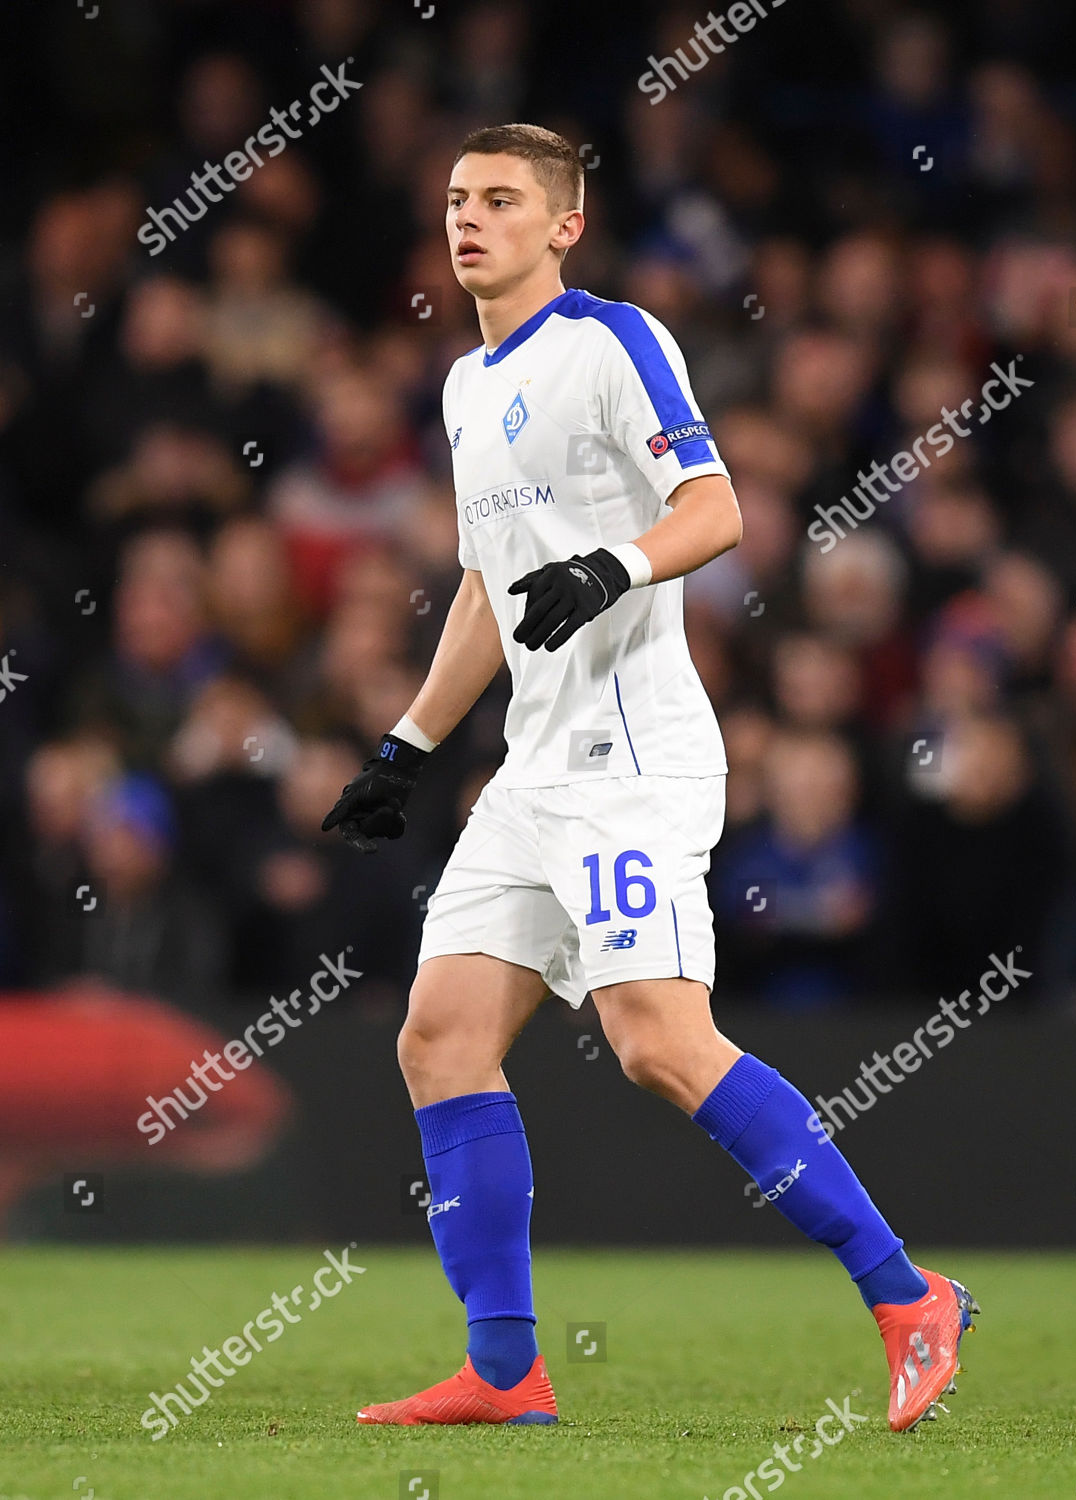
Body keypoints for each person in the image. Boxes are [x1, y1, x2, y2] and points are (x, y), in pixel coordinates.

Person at [321, 123, 978, 1433]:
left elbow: (715, 508)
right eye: (457, 199)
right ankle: (505, 1372)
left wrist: (612, 565)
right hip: (529, 768)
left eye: (502, 199)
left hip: (631, 760)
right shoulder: (462, 387)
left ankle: (909, 1297)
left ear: (562, 224)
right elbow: (480, 585)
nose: (471, 220)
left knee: (654, 1043)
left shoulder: (611, 340)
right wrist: (407, 743)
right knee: (440, 1038)